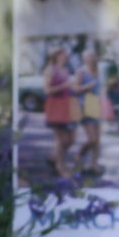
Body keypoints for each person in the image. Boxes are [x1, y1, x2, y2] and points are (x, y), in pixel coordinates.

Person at [42, 44, 77, 180]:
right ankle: (60, 167)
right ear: (56, 56)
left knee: (71, 140)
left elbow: (69, 88)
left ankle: (54, 157)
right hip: (55, 106)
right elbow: (47, 90)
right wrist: (65, 85)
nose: (65, 56)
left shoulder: (66, 70)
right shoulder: (50, 70)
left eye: (65, 54)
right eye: (62, 54)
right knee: (62, 140)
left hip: (67, 106)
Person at [73, 43, 104, 177]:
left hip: (95, 104)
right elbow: (75, 89)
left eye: (92, 57)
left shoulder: (98, 71)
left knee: (97, 140)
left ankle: (94, 164)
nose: (91, 59)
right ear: (84, 59)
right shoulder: (81, 71)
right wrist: (87, 86)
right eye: (88, 57)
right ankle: (79, 154)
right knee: (92, 139)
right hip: (84, 104)